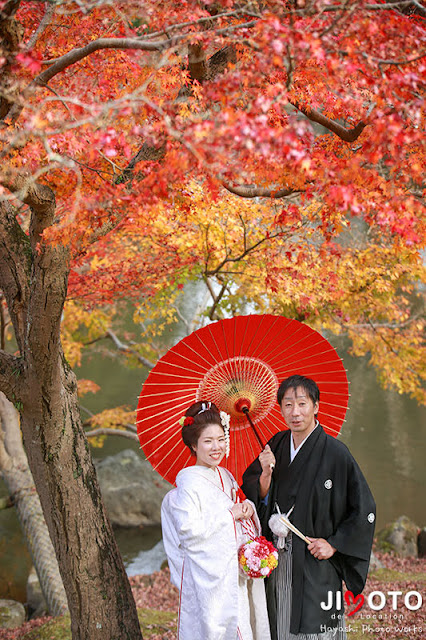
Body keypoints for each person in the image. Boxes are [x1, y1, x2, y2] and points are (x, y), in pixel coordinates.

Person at [242, 375, 376, 640]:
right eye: (288, 405)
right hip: (277, 559)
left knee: (317, 627)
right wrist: (265, 477)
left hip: (316, 561)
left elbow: (364, 508)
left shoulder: (336, 453)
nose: (295, 412)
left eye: (302, 404)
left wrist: (334, 544)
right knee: (279, 622)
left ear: (315, 406)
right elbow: (253, 495)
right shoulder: (276, 446)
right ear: (281, 408)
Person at [161, 400, 271, 640]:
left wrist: (248, 508)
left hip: (235, 572)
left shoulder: (226, 475)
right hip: (211, 578)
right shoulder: (188, 484)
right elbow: (189, 532)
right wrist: (230, 515)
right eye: (208, 441)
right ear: (193, 444)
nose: (217, 447)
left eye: (221, 439)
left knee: (245, 624)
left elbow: (243, 512)